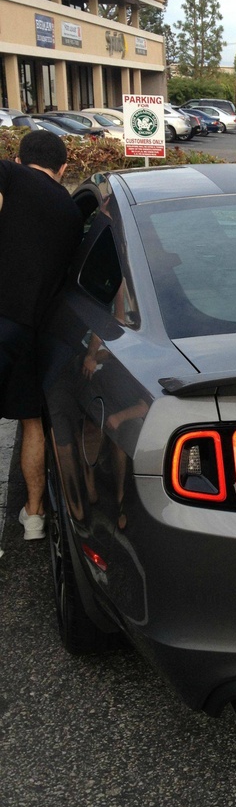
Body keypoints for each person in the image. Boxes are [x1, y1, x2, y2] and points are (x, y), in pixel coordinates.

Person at [0, 130, 84, 541]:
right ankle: (33, 516)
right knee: (32, 423)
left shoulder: (12, 177)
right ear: (63, 168)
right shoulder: (72, 213)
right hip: (33, 334)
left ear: (19, 160)